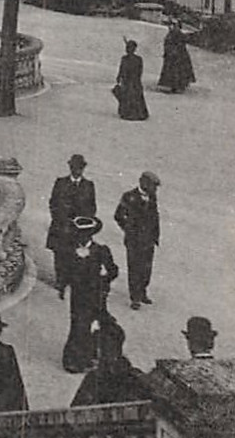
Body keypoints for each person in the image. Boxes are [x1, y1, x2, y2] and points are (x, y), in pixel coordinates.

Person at [62, 216, 119, 373]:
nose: (81, 237)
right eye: (79, 234)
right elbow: (65, 270)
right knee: (78, 325)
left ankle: (88, 357)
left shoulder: (100, 251)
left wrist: (103, 281)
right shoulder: (70, 250)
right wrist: (66, 283)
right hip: (78, 295)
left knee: (91, 324)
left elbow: (113, 270)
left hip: (95, 294)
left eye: (85, 234)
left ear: (91, 234)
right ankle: (73, 360)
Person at [46, 154, 96, 300]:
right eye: (74, 168)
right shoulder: (60, 183)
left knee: (75, 254)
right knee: (60, 255)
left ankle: (71, 280)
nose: (77, 171)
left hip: (79, 229)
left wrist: (83, 224)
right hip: (61, 226)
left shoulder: (89, 186)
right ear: (70, 167)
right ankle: (60, 280)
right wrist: (61, 221)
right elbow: (53, 204)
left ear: (83, 169)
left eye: (80, 168)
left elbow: (92, 207)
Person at [71, 314, 148, 406]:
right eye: (99, 348)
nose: (99, 353)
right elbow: (78, 412)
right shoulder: (93, 379)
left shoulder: (133, 378)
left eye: (104, 348)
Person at [113, 171, 161, 310]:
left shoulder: (152, 198)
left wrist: (155, 236)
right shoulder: (129, 196)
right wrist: (128, 229)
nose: (155, 189)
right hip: (134, 240)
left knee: (146, 269)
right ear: (143, 182)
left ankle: (143, 291)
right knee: (134, 268)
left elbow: (155, 217)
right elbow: (118, 215)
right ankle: (135, 297)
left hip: (148, 240)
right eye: (153, 185)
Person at [114, 38, 149, 120]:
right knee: (129, 96)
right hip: (129, 81)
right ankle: (128, 112)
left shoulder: (137, 59)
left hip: (132, 81)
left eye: (129, 48)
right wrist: (119, 77)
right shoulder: (126, 59)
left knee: (132, 96)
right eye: (127, 48)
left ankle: (132, 113)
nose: (127, 49)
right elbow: (121, 68)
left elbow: (139, 71)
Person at [158, 18, 196, 93]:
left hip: (179, 55)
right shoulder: (171, 34)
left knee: (178, 71)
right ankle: (175, 85)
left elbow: (183, 40)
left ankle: (178, 85)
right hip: (174, 55)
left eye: (174, 25)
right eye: (171, 25)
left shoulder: (176, 34)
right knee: (175, 71)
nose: (171, 27)